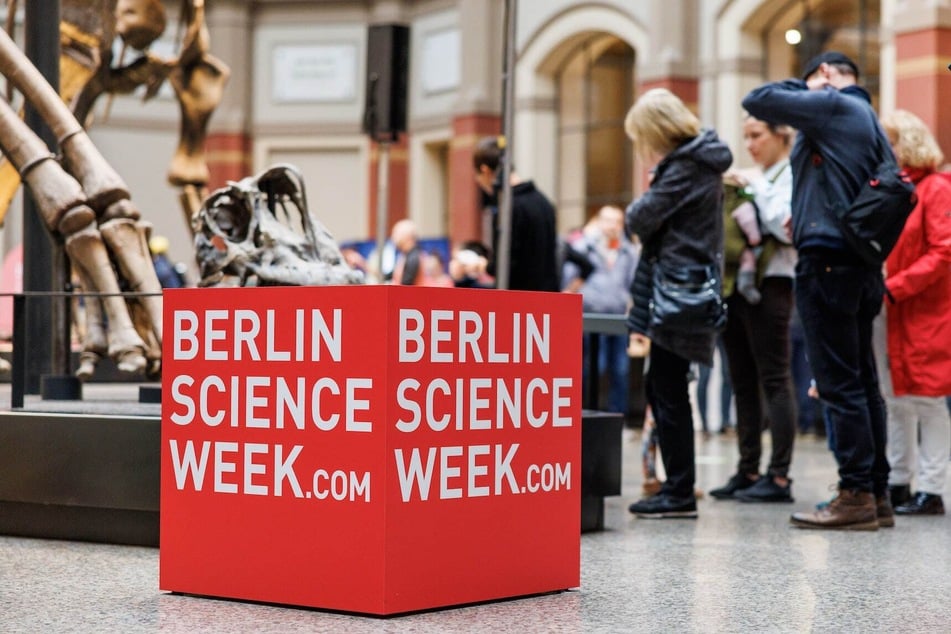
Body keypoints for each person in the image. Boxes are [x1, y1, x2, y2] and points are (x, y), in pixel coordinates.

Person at [743, 51, 891, 530]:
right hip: (860, 263)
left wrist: (812, 86)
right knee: (863, 381)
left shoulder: (832, 104)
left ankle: (854, 494)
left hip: (827, 264)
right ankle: (876, 491)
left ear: (826, 76)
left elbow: (758, 98)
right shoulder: (869, 118)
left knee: (838, 381)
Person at [623, 88, 732, 519]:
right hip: (683, 288)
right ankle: (676, 486)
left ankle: (679, 491)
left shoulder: (686, 166)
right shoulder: (696, 162)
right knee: (665, 387)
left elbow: (639, 217)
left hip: (679, 291)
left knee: (668, 390)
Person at [709, 116, 798, 503]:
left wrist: (754, 187)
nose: (750, 144)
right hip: (734, 284)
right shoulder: (752, 178)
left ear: (783, 135)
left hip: (774, 284)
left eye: (757, 135)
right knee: (741, 378)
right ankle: (747, 468)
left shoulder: (791, 175)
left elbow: (785, 226)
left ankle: (779, 476)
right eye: (745, 136)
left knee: (774, 378)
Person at [874, 109, 951, 516]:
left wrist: (895, 286)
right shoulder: (893, 188)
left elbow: (944, 249)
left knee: (928, 400)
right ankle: (900, 481)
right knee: (895, 398)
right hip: (893, 306)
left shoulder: (936, 188)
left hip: (924, 307)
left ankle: (933, 488)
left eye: (888, 141)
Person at [564, 205, 639, 415]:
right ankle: (582, 412)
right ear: (598, 221)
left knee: (620, 370)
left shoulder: (628, 251)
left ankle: (617, 416)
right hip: (588, 316)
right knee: (592, 366)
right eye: (608, 220)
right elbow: (568, 280)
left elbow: (633, 283)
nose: (612, 226)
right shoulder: (582, 247)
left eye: (617, 221)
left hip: (618, 317)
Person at [473, 136, 559, 292]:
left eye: (478, 177)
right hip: (548, 304)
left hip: (520, 305)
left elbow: (504, 265)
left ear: (485, 170)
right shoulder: (543, 201)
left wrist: (482, 265)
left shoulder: (507, 208)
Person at [389, 219, 424, 285]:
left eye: (396, 233)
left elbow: (406, 285)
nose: (393, 237)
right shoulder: (406, 255)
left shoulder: (413, 258)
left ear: (406, 236)